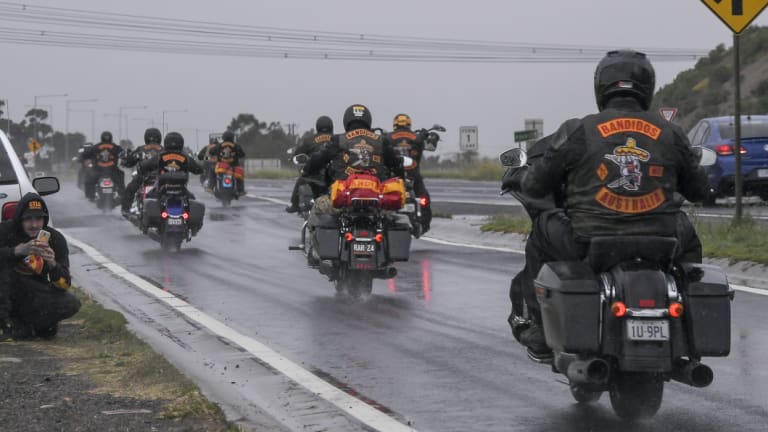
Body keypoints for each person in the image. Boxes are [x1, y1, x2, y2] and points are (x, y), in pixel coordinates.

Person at [512, 50, 709, 359]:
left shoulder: (579, 129)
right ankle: (691, 324)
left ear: (601, 87)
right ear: (648, 86)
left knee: (541, 230)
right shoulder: (671, 132)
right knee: (687, 231)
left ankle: (538, 325)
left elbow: (536, 185)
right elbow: (699, 190)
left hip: (590, 243)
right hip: (661, 242)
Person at [0, 193, 80, 341]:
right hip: (6, 291)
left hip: (33, 292)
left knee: (71, 303)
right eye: (28, 219)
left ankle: (30, 324)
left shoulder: (55, 239)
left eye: (38, 219)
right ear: (19, 219)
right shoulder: (5, 231)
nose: (34, 225)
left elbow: (64, 284)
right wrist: (17, 251)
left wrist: (52, 264)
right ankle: (5, 323)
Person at [304, 104, 403, 186]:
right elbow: (396, 164)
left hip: (343, 198)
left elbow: (318, 159)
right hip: (376, 196)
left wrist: (307, 169)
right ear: (368, 120)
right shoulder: (382, 140)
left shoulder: (338, 140)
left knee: (317, 206)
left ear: (346, 120)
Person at [384, 113, 434, 234]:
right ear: (409, 124)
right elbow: (431, 146)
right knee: (424, 199)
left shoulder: (387, 137)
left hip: (394, 176)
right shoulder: (417, 138)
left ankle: (385, 221)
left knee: (383, 199)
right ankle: (424, 226)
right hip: (413, 176)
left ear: (395, 125)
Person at [285, 115, 335, 213]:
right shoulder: (337, 139)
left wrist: (292, 157)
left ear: (318, 126)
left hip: (315, 173)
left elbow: (298, 153)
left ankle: (294, 205)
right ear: (331, 126)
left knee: (301, 179)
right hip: (333, 173)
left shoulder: (309, 140)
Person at [140, 131, 204, 198]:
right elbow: (198, 169)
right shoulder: (186, 157)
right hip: (182, 191)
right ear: (181, 143)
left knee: (148, 197)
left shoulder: (160, 156)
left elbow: (146, 166)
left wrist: (143, 166)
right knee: (192, 199)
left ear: (166, 143)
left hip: (162, 190)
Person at [121, 127, 164, 217]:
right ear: (159, 137)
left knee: (130, 189)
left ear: (146, 137)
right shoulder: (164, 150)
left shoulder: (141, 149)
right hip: (161, 178)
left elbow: (129, 161)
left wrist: (125, 162)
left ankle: (125, 210)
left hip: (143, 177)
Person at [82, 131, 125, 202]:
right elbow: (123, 154)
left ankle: (91, 196)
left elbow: (86, 155)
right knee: (121, 176)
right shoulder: (116, 147)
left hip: (98, 171)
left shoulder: (95, 147)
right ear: (111, 138)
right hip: (113, 171)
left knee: (89, 178)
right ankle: (121, 194)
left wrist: (84, 156)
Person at [213, 131, 246, 196]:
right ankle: (240, 190)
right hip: (234, 166)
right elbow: (242, 154)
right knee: (240, 176)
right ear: (232, 138)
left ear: (223, 137)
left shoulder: (219, 145)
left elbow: (212, 151)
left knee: (212, 171)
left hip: (222, 167)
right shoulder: (236, 146)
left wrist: (216, 154)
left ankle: (212, 186)